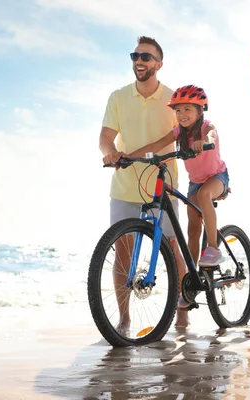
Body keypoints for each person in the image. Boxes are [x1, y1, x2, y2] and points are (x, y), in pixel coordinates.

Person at [99, 36, 189, 329]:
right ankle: (124, 320)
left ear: (159, 64)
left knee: (173, 248)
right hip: (125, 184)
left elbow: (184, 132)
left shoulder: (173, 98)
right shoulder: (118, 96)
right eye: (135, 56)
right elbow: (105, 137)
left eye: (146, 57)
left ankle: (182, 311)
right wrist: (109, 153)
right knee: (122, 252)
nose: (139, 61)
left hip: (162, 185)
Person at [127, 85, 230, 292]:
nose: (182, 115)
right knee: (192, 227)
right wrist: (128, 158)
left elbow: (212, 135)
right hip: (196, 181)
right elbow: (157, 144)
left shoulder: (206, 128)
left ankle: (214, 248)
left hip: (217, 177)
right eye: (178, 110)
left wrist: (204, 142)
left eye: (187, 109)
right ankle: (192, 277)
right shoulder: (179, 132)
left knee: (204, 195)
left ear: (201, 111)